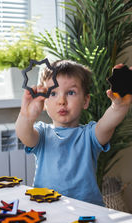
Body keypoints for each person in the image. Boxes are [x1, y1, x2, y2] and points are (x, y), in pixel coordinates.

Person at [15, 60, 132, 206]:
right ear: (44, 101)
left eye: (71, 92)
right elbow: (24, 134)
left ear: (85, 101)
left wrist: (119, 106)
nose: (62, 101)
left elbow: (108, 123)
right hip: (47, 209)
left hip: (87, 213)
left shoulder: (90, 135)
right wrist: (26, 116)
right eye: (53, 93)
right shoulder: (42, 134)